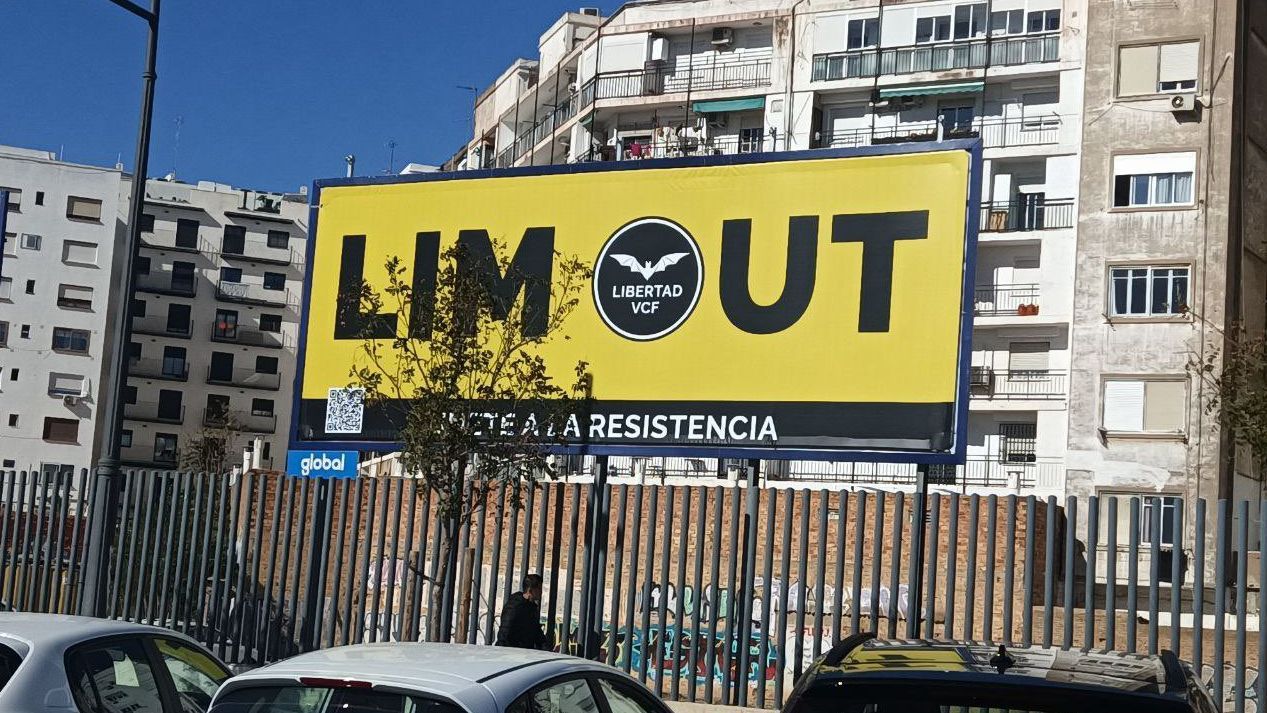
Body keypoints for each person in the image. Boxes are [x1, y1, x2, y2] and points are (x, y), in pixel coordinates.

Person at [495, 574, 550, 650]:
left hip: (525, 651)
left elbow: (536, 631)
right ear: (530, 590)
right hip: (512, 651)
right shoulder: (515, 606)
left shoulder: (532, 607)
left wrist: (545, 646)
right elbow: (505, 630)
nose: (541, 592)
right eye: (539, 588)